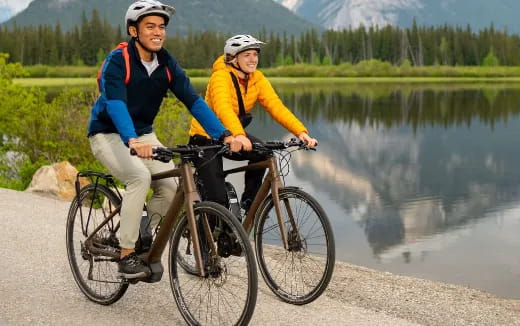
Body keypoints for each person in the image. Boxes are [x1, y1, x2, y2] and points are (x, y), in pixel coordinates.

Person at [87, 0, 238, 279]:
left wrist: (224, 134)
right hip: (107, 133)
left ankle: (140, 233)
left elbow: (193, 100)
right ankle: (126, 253)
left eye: (161, 27)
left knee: (170, 189)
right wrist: (131, 140)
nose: (158, 32)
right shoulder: (118, 61)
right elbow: (116, 104)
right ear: (134, 31)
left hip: (143, 133)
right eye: (150, 26)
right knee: (138, 178)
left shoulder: (166, 62)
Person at [188, 34, 318, 214]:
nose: (253, 59)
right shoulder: (220, 77)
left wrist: (301, 132)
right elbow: (222, 108)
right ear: (233, 58)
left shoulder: (257, 78)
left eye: (255, 54)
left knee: (264, 154)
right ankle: (207, 234)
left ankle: (248, 203)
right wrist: (239, 135)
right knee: (217, 200)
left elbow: (276, 106)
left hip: (235, 134)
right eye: (247, 55)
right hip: (205, 137)